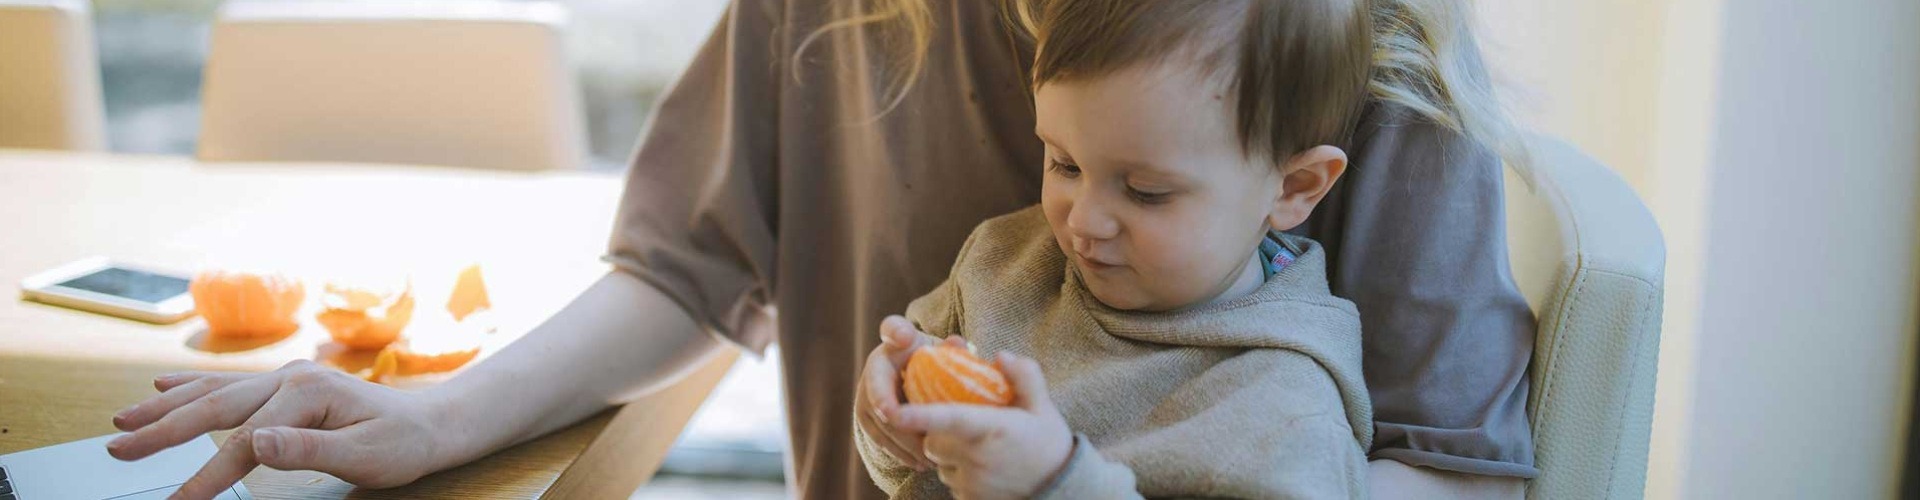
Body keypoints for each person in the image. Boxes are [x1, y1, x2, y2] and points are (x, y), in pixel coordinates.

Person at [103, 0, 1537, 498]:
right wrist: (436, 416)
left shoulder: (1349, 43)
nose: (1082, 215)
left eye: (1147, 190)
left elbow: (1443, 457)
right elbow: (687, 261)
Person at [854, 0, 1380, 496]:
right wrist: (893, 414)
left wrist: (1056, 485)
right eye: (1065, 164)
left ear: (1294, 188)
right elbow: (910, 471)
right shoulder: (1003, 263)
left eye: (1145, 192)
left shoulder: (1284, 410)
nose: (1083, 221)